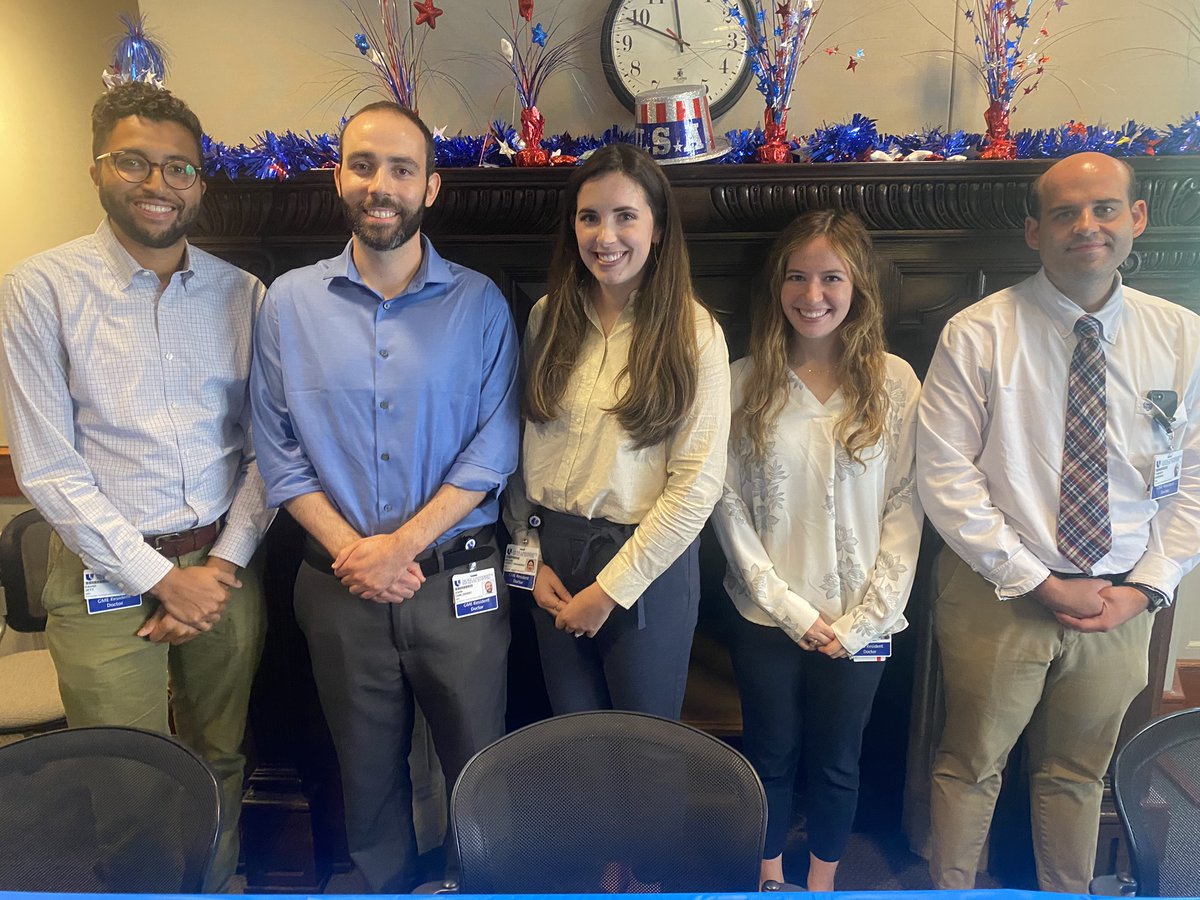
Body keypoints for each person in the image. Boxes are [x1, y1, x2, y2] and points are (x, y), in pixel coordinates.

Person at [0, 81, 271, 890]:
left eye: (178, 168)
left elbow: (269, 452)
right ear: (97, 170)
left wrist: (216, 571)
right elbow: (48, 468)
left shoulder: (242, 296)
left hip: (226, 570)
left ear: (199, 182)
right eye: (135, 162)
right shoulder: (40, 289)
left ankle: (216, 887)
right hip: (101, 581)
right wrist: (161, 581)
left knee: (220, 758)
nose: (157, 183)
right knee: (126, 782)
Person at [250, 101, 520, 892]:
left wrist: (399, 547)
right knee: (364, 782)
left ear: (431, 187)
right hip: (336, 591)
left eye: (402, 168)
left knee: (481, 774)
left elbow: (496, 446)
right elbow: (277, 450)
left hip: (458, 583)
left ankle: (487, 887)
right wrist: (355, 554)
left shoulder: (480, 304)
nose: (381, 185)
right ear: (339, 177)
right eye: (363, 165)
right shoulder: (288, 305)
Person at [917, 152, 1200, 893]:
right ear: (1033, 231)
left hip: (1120, 602)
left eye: (1105, 208)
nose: (1088, 226)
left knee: (1078, 775)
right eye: (1067, 213)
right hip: (997, 590)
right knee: (969, 765)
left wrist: (1146, 589)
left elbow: (1194, 481)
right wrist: (1039, 580)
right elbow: (946, 479)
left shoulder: (1182, 338)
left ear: (1135, 219)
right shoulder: (977, 333)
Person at [711, 210, 923, 891]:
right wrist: (788, 607)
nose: (813, 295)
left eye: (831, 278)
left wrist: (865, 618)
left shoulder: (895, 383)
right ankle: (771, 875)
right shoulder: (744, 382)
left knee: (839, 759)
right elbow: (726, 502)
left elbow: (907, 503)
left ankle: (824, 879)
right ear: (777, 286)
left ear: (857, 286)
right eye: (797, 278)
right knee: (770, 755)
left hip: (863, 617)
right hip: (768, 617)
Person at [505, 143, 730, 719]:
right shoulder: (546, 317)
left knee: (644, 752)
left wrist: (608, 592)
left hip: (644, 562)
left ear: (657, 229)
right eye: (589, 217)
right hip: (553, 557)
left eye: (625, 216)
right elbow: (521, 454)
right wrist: (530, 560)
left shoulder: (693, 332)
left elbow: (697, 486)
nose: (605, 237)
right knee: (575, 745)